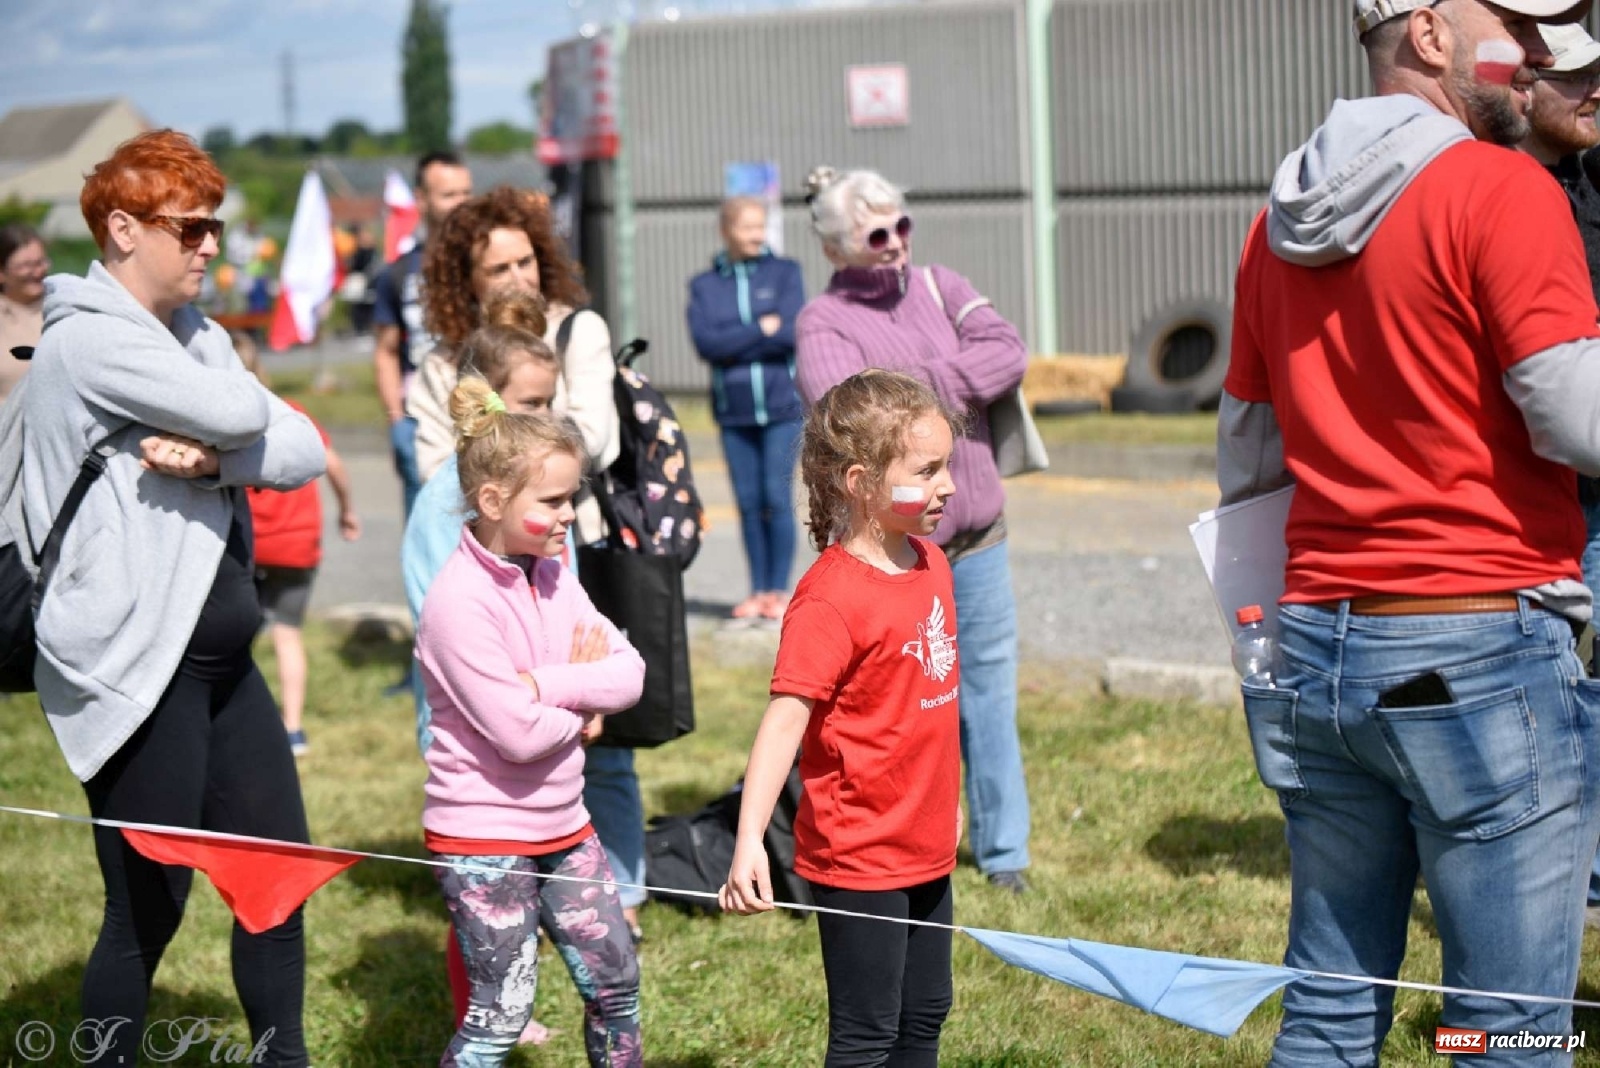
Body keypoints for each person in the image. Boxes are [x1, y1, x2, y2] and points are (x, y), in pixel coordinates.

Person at [1221, 1, 1600, 1063]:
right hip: (1476, 653)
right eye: (1515, 26)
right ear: (1431, 37)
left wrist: (1259, 646)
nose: (1533, 53)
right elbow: (1571, 411)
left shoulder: (1272, 220)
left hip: (1314, 653)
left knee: (1332, 1007)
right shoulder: (1501, 186)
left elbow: (1247, 457)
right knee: (1509, 1033)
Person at [19, 129, 326, 1066]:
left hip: (225, 663)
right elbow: (245, 413)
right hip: (135, 672)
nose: (210, 247)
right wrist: (238, 437)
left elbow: (304, 447)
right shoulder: (85, 344)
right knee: (146, 911)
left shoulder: (199, 339)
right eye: (189, 228)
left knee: (277, 882)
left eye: (214, 228)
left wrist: (217, 461)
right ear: (121, 230)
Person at [406, 187, 649, 939]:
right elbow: (459, 651)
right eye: (534, 404)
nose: (516, 277)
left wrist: (558, 690)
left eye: (525, 260)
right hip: (484, 764)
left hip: (549, 737)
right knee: (490, 926)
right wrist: (565, 699)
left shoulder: (546, 513)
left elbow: (598, 648)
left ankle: (614, 901)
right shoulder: (447, 509)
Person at [793, 166, 1032, 894]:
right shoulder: (821, 322)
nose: (895, 244)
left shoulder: (941, 282)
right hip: (892, 556)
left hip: (977, 535)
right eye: (875, 233)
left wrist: (910, 388)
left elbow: (1009, 350)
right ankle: (905, 846)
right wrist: (953, 380)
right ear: (836, 249)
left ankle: (1005, 854)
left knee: (990, 690)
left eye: (902, 225)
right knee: (904, 708)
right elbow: (850, 417)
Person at [721, 369, 962, 1067]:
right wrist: (748, 844)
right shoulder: (829, 600)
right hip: (860, 855)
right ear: (860, 483)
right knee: (867, 1036)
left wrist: (948, 803)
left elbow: (935, 702)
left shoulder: (932, 564)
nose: (946, 485)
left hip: (925, 843)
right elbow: (783, 724)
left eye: (947, 465)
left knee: (926, 1014)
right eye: (927, 470)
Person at [417, 375, 644, 1067]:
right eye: (552, 500)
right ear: (492, 501)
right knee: (500, 1014)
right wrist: (581, 709)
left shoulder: (555, 576)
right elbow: (516, 736)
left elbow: (630, 673)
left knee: (618, 986)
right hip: (484, 841)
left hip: (565, 826)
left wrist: (546, 686)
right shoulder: (458, 604)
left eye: (570, 495)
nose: (570, 512)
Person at [403, 288, 565, 1046]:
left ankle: (511, 998)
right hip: (476, 729)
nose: (547, 418)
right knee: (484, 888)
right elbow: (450, 623)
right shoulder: (448, 503)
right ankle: (484, 1007)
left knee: (523, 883)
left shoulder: (540, 493)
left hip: (537, 717)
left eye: (552, 401)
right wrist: (536, 686)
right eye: (532, 403)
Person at [1519, 19, 1600, 927]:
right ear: (1524, 90)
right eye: (1573, 78)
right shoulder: (1500, 196)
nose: (1592, 91)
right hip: (1535, 512)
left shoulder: (1588, 181)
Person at [687, 196, 806, 623]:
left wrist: (737, 339)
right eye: (748, 227)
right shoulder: (704, 286)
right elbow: (707, 345)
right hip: (733, 412)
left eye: (762, 226)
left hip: (780, 409)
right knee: (749, 502)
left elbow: (793, 333)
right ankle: (756, 591)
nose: (757, 235)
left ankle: (779, 591)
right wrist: (760, 328)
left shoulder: (785, 273)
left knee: (777, 497)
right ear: (726, 230)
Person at [239, 345, 362, 756]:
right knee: (288, 635)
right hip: (297, 544)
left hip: (250, 545)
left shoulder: (226, 421)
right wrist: (347, 510)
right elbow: (334, 464)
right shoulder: (292, 415)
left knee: (238, 635)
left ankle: (233, 713)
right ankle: (293, 729)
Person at [371, 151, 473, 518]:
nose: (461, 204)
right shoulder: (397, 274)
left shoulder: (488, 262)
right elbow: (385, 351)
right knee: (429, 527)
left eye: (467, 192)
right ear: (421, 200)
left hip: (481, 410)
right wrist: (397, 418)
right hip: (421, 416)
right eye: (449, 195)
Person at [0, 223, 49, 404]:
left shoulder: (64, 308)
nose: (37, 272)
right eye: (25, 266)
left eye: (41, 262)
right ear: (2, 272)